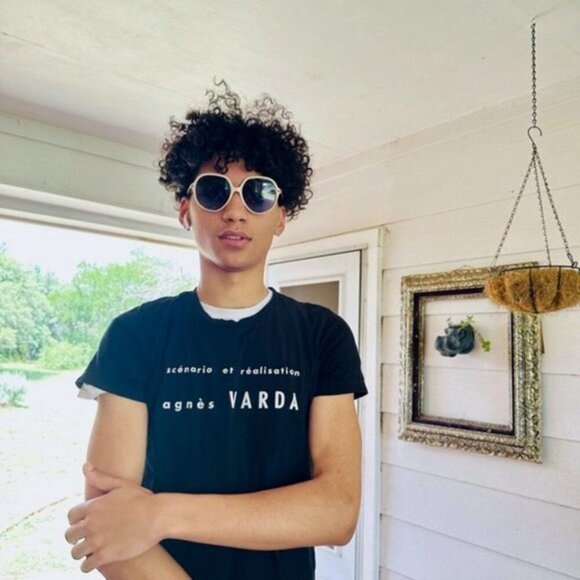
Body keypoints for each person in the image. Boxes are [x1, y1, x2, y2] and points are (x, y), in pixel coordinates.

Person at [64, 78, 368, 580]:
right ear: (186, 210)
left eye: (259, 193)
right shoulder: (136, 335)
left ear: (281, 216)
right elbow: (107, 528)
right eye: (213, 190)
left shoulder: (322, 336)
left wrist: (161, 513)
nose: (235, 210)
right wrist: (138, 519)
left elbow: (337, 512)